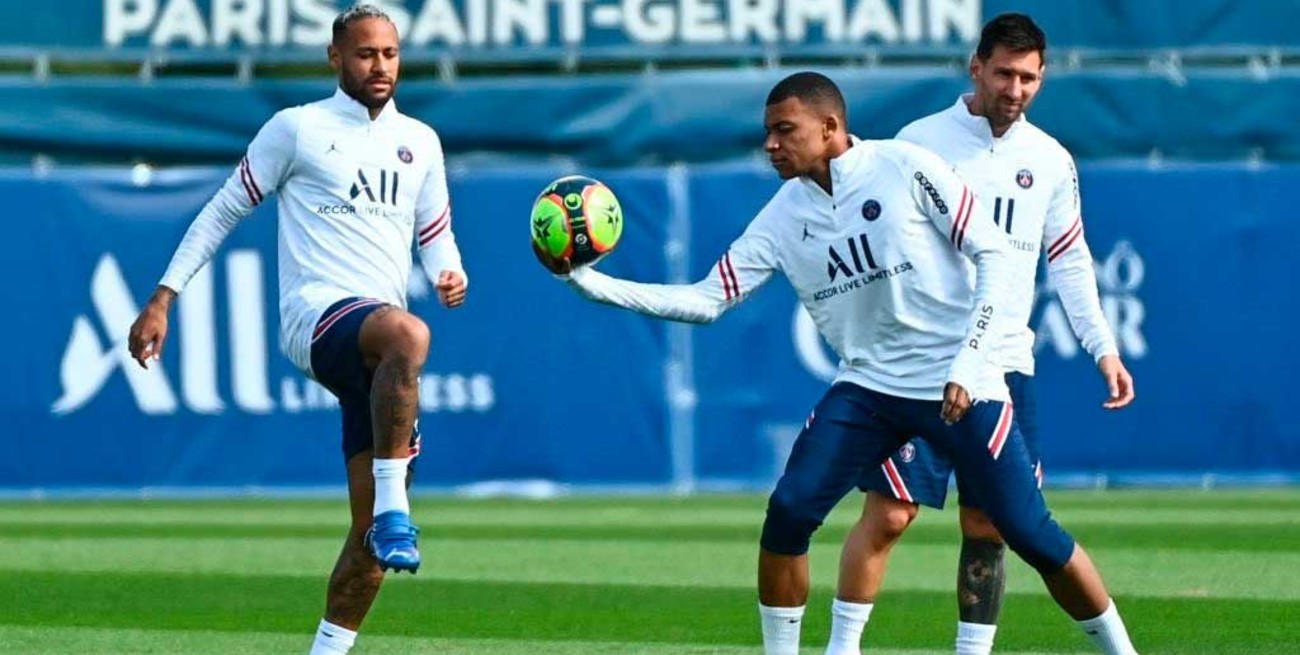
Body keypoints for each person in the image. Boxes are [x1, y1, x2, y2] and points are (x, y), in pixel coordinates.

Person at [534, 71, 1138, 655]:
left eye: (784, 130)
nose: (771, 144)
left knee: (1028, 532)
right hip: (870, 387)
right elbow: (706, 300)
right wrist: (594, 286)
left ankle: (1121, 649)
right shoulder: (782, 215)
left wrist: (972, 358)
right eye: (768, 132)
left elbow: (995, 254)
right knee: (790, 511)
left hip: (960, 381)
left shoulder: (903, 166)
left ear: (829, 127)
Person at [125, 5, 468, 654]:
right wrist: (163, 297)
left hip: (373, 342)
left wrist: (450, 272)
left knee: (368, 546)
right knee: (410, 337)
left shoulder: (420, 140)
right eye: (366, 53)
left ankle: (329, 644)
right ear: (335, 57)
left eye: (390, 54)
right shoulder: (298, 129)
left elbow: (435, 234)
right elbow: (222, 210)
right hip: (317, 316)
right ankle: (398, 509)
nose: (380, 66)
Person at [832, 14, 1137, 655]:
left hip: (1002, 364)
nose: (1016, 88)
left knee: (991, 523)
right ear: (976, 67)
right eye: (1004, 73)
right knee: (889, 513)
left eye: (1029, 77)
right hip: (920, 364)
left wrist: (1102, 347)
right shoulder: (919, 143)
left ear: (1042, 77)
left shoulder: (1050, 159)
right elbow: (874, 243)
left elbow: (1071, 258)